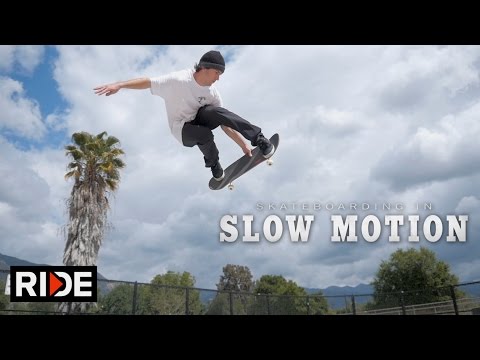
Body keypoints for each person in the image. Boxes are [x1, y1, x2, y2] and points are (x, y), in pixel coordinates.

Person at [94, 50, 274, 181]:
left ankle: (258, 138)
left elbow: (225, 123)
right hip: (181, 129)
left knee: (215, 111)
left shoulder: (212, 93)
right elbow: (148, 82)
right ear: (205, 68)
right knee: (205, 135)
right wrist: (119, 85)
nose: (218, 78)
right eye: (217, 73)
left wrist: (243, 145)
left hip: (199, 119)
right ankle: (214, 165)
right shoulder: (178, 80)